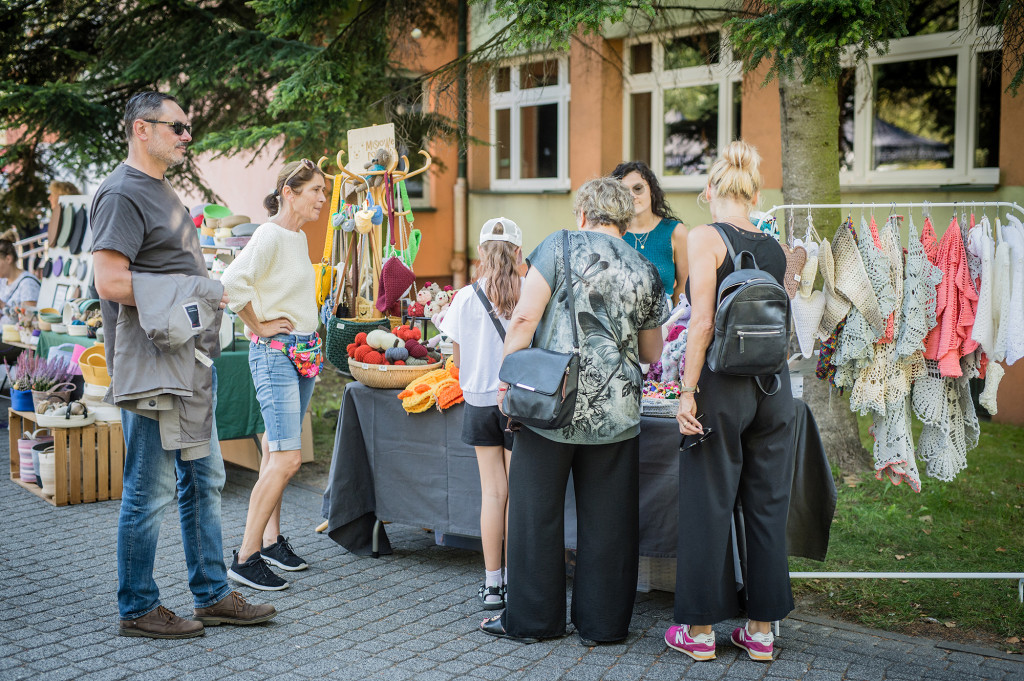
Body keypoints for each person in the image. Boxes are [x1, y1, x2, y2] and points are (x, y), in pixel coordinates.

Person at [92, 91, 275, 638]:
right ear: (140, 130)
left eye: (187, 127)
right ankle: (138, 607)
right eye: (177, 127)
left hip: (185, 365)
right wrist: (194, 287)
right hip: (152, 370)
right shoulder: (123, 194)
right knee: (148, 492)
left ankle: (213, 594)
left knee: (205, 479)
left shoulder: (161, 191)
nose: (186, 136)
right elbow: (110, 281)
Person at [480, 177, 668, 645]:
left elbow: (524, 318)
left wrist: (509, 379)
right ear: (625, 221)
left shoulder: (557, 246)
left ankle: (533, 620)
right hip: (617, 413)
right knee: (610, 523)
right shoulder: (646, 268)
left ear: (583, 214)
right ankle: (603, 626)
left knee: (535, 515)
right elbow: (650, 352)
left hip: (551, 407)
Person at [666, 140, 795, 662]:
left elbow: (701, 322)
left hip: (721, 386)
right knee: (766, 506)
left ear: (709, 191)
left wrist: (686, 391)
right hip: (773, 386)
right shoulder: (775, 247)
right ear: (755, 194)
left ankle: (698, 633)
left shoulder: (704, 237)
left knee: (708, 501)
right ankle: (760, 631)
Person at [221, 159, 325, 590]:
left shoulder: (297, 237)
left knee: (271, 449)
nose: (322, 198)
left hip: (302, 355)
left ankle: (269, 541)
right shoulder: (267, 235)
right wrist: (259, 324)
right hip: (275, 356)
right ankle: (244, 557)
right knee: (287, 457)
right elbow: (231, 283)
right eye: (315, 190)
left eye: (323, 191)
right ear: (290, 191)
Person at [439, 216, 523, 611]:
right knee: (518, 495)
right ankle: (521, 580)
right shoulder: (529, 294)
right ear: (519, 253)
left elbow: (456, 358)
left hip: (478, 402)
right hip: (519, 405)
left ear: (480, 253)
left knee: (493, 494)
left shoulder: (464, 298)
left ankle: (493, 584)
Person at [610, 161, 688, 305]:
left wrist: (674, 324)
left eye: (638, 188)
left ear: (651, 189)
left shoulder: (676, 232)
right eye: (624, 191)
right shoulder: (612, 234)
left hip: (665, 322)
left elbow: (684, 288)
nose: (632, 195)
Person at [0, 238, 40, 324]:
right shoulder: (2, 281)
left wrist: (2, 305)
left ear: (8, 259)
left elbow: (28, 323)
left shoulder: (28, 284)